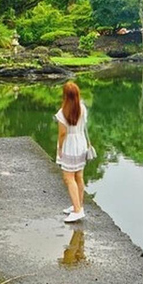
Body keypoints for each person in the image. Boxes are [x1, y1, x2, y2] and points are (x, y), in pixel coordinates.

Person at [55, 81, 90, 223]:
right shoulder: (82, 108)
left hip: (69, 145)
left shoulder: (62, 113)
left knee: (68, 177)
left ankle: (77, 210)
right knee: (79, 176)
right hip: (81, 143)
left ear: (65, 96)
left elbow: (62, 134)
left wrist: (59, 148)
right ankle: (78, 205)